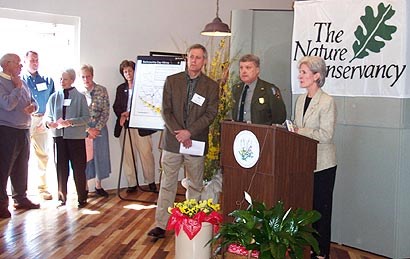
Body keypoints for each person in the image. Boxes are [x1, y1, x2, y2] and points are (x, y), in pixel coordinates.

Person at [148, 44, 219, 238]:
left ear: (204, 60)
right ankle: (161, 225)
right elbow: (166, 110)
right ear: (187, 59)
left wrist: (189, 132)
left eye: (198, 57)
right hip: (172, 141)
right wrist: (179, 133)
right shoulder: (172, 81)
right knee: (167, 184)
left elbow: (211, 114)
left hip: (195, 142)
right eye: (191, 57)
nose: (194, 60)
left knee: (195, 185)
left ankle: (192, 222)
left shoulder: (212, 86)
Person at [293, 56, 337, 259]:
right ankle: (306, 247)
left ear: (317, 76)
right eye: (300, 72)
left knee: (321, 210)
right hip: (303, 163)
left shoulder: (327, 101)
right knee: (306, 208)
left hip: (323, 164)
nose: (299, 76)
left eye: (304, 72)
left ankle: (321, 252)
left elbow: (326, 135)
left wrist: (300, 130)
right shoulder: (300, 99)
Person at [0, 53, 40, 218]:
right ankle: (1, 204)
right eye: (17, 63)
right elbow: (7, 105)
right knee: (3, 169)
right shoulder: (2, 82)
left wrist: (34, 107)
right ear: (6, 64)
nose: (21, 66)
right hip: (7, 130)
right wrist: (16, 88)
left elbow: (33, 101)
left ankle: (20, 198)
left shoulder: (22, 82)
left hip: (24, 129)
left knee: (22, 166)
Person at [45, 68, 90, 208]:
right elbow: (48, 116)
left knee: (78, 168)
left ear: (72, 80)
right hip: (59, 138)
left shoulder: (80, 97)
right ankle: (61, 197)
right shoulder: (54, 97)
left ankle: (82, 197)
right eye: (60, 79)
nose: (61, 81)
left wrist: (71, 122)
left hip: (76, 138)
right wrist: (49, 123)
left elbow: (86, 118)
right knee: (61, 168)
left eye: (65, 79)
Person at [113, 60, 157, 193]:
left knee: (146, 154)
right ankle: (132, 183)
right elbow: (116, 106)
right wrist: (122, 114)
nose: (128, 74)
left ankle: (151, 181)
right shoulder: (121, 88)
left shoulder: (143, 86)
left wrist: (131, 113)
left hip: (141, 126)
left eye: (130, 70)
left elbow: (148, 106)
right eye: (125, 71)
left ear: (135, 71)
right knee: (128, 155)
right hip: (125, 125)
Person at [22, 51, 55, 200]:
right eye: (32, 60)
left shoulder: (47, 80)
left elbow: (53, 101)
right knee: (23, 156)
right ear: (25, 61)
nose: (35, 62)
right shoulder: (20, 80)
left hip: (42, 120)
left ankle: (42, 189)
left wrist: (47, 119)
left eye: (37, 60)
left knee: (42, 155)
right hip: (25, 121)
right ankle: (22, 191)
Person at [80, 64, 111, 198]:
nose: (86, 79)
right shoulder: (78, 93)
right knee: (85, 158)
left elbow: (106, 111)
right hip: (84, 129)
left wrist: (97, 129)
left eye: (88, 76)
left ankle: (98, 186)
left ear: (92, 76)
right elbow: (77, 114)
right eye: (83, 77)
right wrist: (88, 129)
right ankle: (85, 187)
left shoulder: (101, 90)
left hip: (100, 128)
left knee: (101, 156)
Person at [232, 54, 286, 125]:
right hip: (238, 132)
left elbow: (279, 118)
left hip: (261, 133)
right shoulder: (236, 89)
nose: (244, 71)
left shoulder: (269, 90)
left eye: (248, 68)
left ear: (257, 70)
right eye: (241, 68)